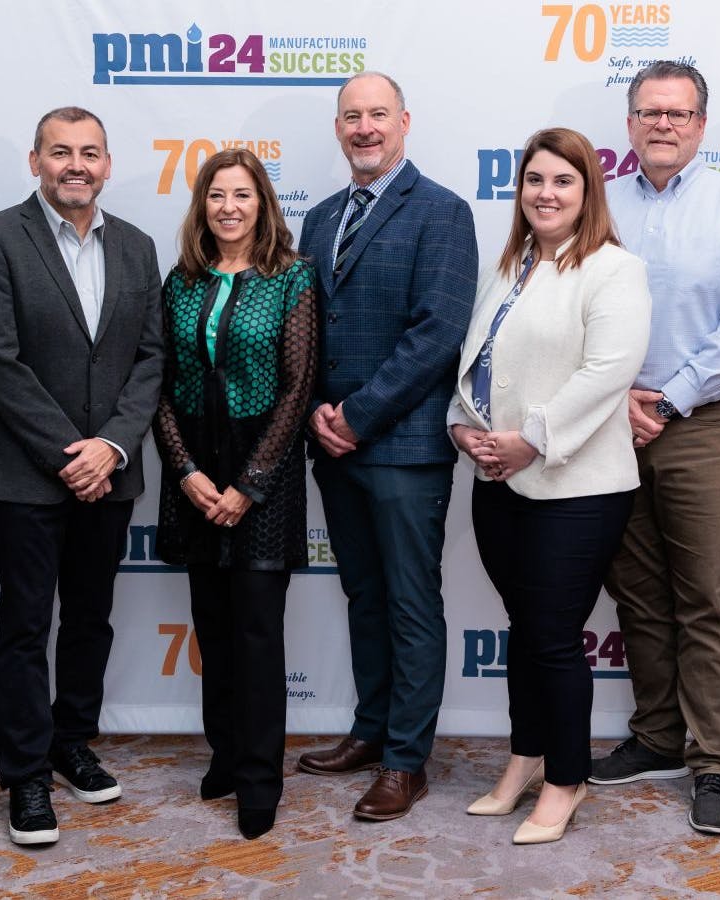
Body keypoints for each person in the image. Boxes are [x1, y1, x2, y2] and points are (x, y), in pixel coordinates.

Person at [588, 61, 720, 836]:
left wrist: (669, 399)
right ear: (630, 124)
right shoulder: (599, 206)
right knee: (637, 592)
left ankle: (712, 761)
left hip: (707, 423)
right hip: (611, 424)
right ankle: (659, 736)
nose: (662, 123)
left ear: (701, 125)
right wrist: (618, 402)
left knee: (707, 596)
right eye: (649, 111)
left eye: (678, 112)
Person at [0, 106, 164, 845]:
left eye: (90, 152)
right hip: (22, 473)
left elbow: (150, 358)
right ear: (36, 162)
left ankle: (71, 741)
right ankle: (25, 778)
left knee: (89, 617)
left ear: (107, 164)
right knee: (23, 625)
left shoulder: (138, 247)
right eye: (60, 152)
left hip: (109, 473)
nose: (76, 164)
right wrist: (70, 452)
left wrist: (109, 446)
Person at [448, 127, 651, 845]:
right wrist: (462, 428)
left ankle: (567, 779)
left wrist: (529, 437)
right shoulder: (514, 264)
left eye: (563, 181)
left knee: (556, 637)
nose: (546, 193)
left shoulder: (613, 269)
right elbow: (477, 362)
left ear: (587, 190)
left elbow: (606, 375)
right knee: (525, 632)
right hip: (498, 480)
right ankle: (525, 759)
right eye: (534, 180)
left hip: (577, 487)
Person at [294, 71, 477, 822]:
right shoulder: (321, 217)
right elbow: (303, 324)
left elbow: (438, 332)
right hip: (333, 448)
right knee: (364, 596)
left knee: (408, 603)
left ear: (404, 120)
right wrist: (313, 412)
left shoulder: (442, 212)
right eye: (350, 117)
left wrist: (357, 415)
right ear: (337, 128)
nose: (364, 128)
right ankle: (371, 733)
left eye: (377, 115)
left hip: (401, 447)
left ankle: (407, 759)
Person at [154, 149, 318, 841]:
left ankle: (259, 779)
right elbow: (157, 383)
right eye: (216, 195)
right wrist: (188, 470)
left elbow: (298, 387)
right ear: (202, 205)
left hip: (263, 471)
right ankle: (224, 754)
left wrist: (248, 485)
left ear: (263, 204)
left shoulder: (293, 279)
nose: (228, 206)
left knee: (254, 634)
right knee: (214, 630)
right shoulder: (180, 280)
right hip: (193, 467)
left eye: (242, 195)